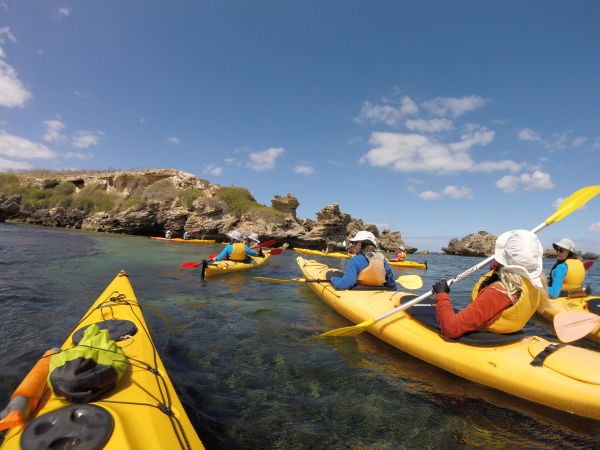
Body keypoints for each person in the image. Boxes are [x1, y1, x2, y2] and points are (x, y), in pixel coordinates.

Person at [431, 229, 545, 338]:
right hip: (509, 332)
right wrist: (498, 267)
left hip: (488, 338)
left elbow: (451, 329)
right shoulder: (535, 283)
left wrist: (442, 294)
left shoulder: (499, 292)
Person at [329, 231, 398, 290]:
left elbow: (345, 284)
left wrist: (333, 279)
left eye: (355, 243)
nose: (353, 245)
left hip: (360, 293)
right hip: (379, 292)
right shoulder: (383, 259)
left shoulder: (355, 260)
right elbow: (391, 284)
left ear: (361, 244)